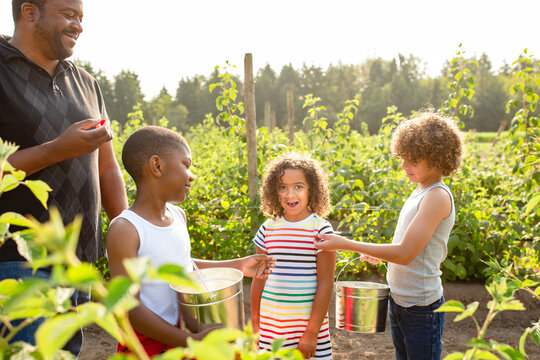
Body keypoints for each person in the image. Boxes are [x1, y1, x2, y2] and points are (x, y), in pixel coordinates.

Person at [0, 0, 128, 355]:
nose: (78, 26)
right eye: (69, 15)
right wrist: (58, 149)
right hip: (18, 261)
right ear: (29, 12)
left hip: (77, 262)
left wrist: (129, 229)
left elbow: (107, 166)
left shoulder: (85, 82)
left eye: (81, 18)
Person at [106, 126, 276, 356]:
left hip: (180, 336)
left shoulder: (178, 216)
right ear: (157, 166)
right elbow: (128, 309)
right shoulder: (126, 229)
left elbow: (183, 266)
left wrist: (238, 265)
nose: (191, 175)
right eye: (186, 165)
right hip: (145, 345)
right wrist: (190, 339)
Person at [314, 111, 464, 360]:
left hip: (422, 308)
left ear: (437, 159)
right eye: (403, 157)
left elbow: (405, 254)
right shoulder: (421, 189)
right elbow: (412, 248)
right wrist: (382, 256)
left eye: (412, 160)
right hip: (401, 301)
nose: (404, 165)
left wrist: (345, 244)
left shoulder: (436, 196)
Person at [251, 153, 336, 360]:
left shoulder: (320, 230)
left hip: (305, 327)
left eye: (298, 187)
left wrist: (311, 333)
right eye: (282, 187)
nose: (290, 194)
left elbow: (326, 284)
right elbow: (258, 279)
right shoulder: (267, 229)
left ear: (311, 190)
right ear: (274, 191)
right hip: (272, 328)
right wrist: (254, 325)